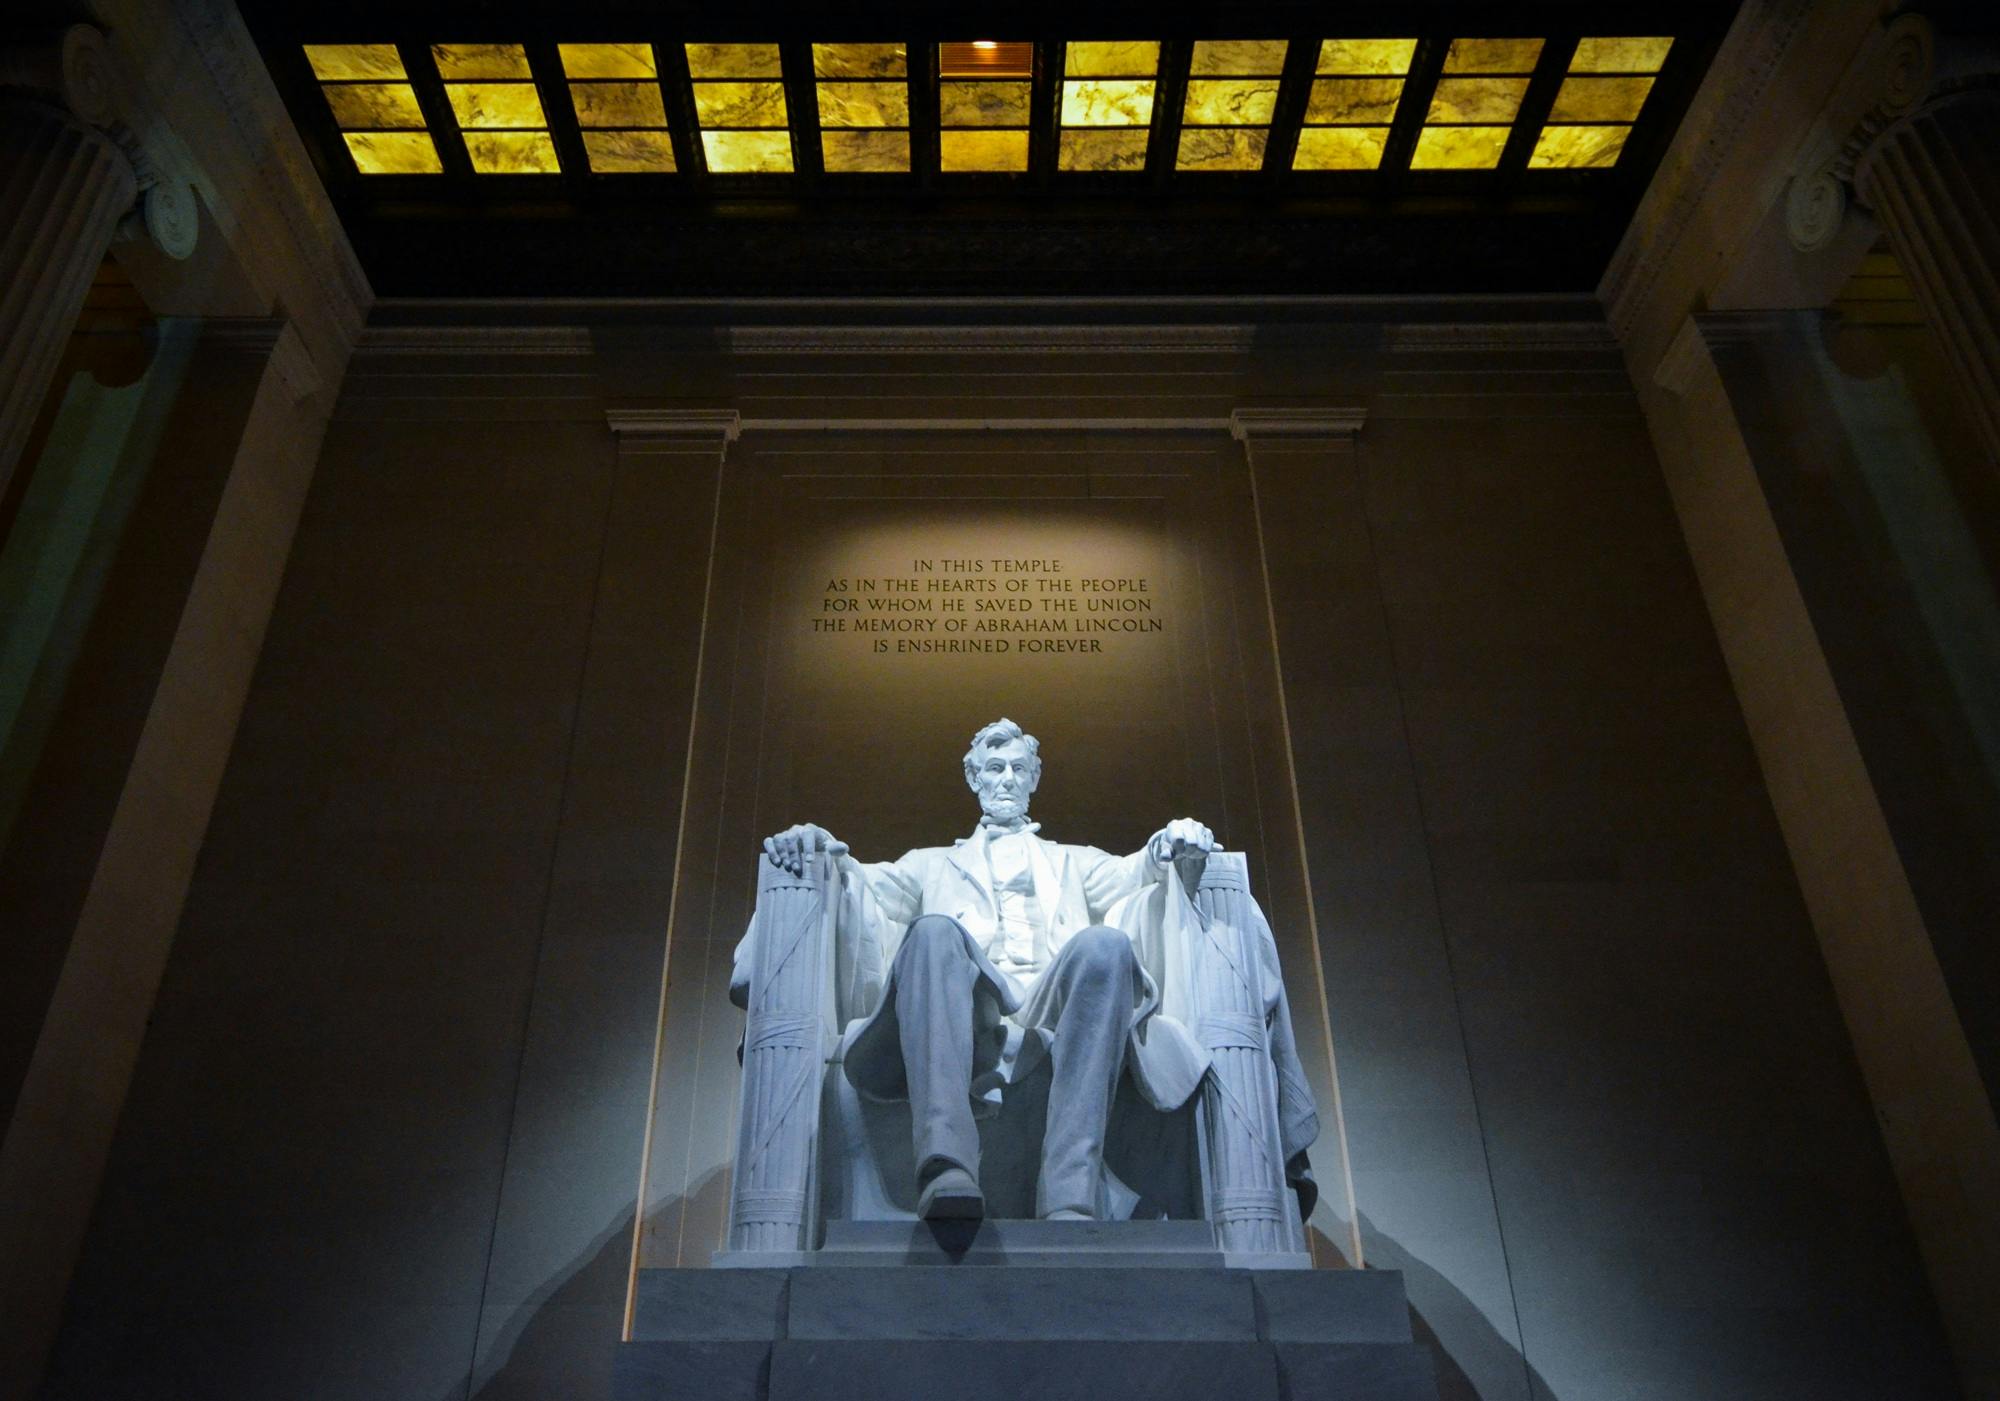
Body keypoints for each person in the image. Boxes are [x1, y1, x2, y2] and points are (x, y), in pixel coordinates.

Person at [762, 718, 1217, 1222]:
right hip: (971, 1002)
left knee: (1106, 945)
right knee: (932, 931)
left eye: (1019, 769)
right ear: (974, 778)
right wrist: (818, 845)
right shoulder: (930, 864)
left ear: (1034, 779)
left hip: (1051, 1001)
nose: (1006, 778)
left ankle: (1071, 1191)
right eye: (994, 768)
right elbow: (860, 882)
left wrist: (1169, 842)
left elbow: (1136, 871)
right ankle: (946, 1168)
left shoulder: (1073, 861)